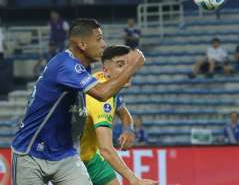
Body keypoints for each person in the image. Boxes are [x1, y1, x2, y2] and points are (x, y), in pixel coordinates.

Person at [11, 18, 147, 185]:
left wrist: (128, 128)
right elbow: (103, 94)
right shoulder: (67, 65)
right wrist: (132, 66)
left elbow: (119, 105)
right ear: (82, 45)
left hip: (65, 154)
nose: (104, 44)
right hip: (31, 153)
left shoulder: (85, 70)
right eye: (99, 39)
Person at [80, 45, 156, 185]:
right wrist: (135, 180)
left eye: (129, 65)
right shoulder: (102, 100)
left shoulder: (104, 84)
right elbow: (107, 150)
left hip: (91, 156)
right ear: (106, 70)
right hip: (72, 160)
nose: (128, 71)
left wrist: (128, 130)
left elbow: (124, 114)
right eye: (121, 65)